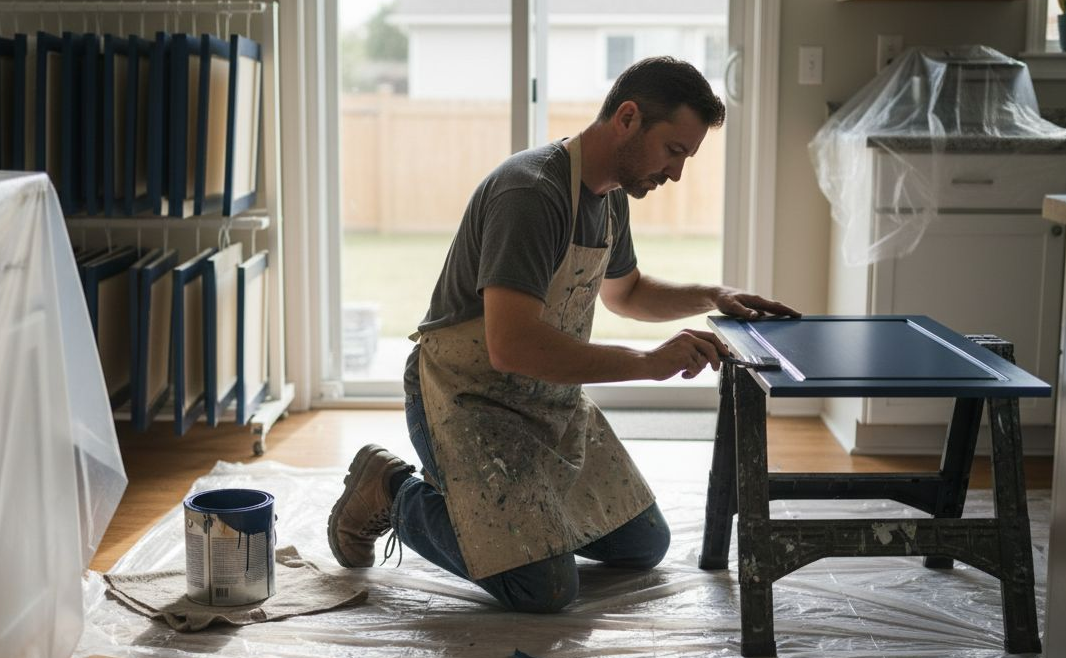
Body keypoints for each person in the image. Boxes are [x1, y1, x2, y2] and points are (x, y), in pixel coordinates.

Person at [328, 56, 799, 613]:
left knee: (643, 545)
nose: (676, 174)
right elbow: (511, 346)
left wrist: (713, 296)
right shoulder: (531, 194)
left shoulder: (609, 195)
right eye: (674, 151)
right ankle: (390, 489)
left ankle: (522, 525)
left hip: (548, 404)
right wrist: (649, 363)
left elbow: (627, 292)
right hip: (467, 399)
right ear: (627, 118)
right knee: (544, 588)